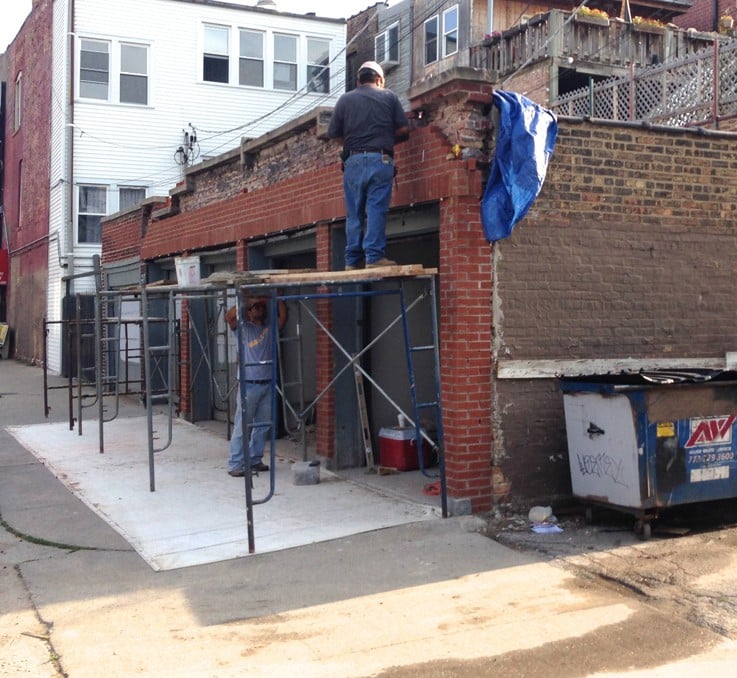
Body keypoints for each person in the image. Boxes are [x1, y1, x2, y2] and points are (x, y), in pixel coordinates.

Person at [327, 60, 409, 271]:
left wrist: (353, 144)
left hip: (352, 161)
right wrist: (384, 139)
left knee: (354, 212)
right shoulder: (389, 96)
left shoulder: (345, 100)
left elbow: (333, 134)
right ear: (380, 80)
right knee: (375, 209)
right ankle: (373, 257)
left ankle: (352, 261)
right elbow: (403, 130)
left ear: (358, 80)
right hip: (379, 160)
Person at [225, 296, 288, 477]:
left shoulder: (269, 328)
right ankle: (235, 463)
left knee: (262, 425)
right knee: (243, 425)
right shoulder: (242, 329)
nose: (259, 309)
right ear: (248, 312)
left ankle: (254, 459)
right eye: (255, 307)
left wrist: (275, 298)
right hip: (249, 385)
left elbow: (283, 318)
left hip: (267, 383)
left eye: (261, 306)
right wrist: (245, 302)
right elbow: (229, 317)